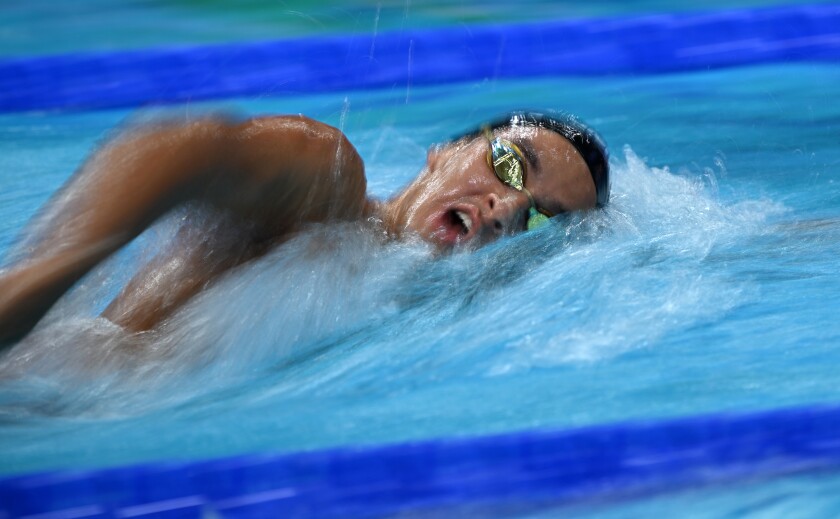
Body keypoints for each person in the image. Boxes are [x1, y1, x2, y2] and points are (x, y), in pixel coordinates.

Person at [0, 111, 609, 349]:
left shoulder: (410, 313)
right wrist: (32, 285)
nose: (506, 208)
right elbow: (180, 150)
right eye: (507, 165)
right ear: (444, 151)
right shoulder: (328, 186)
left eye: (538, 217)